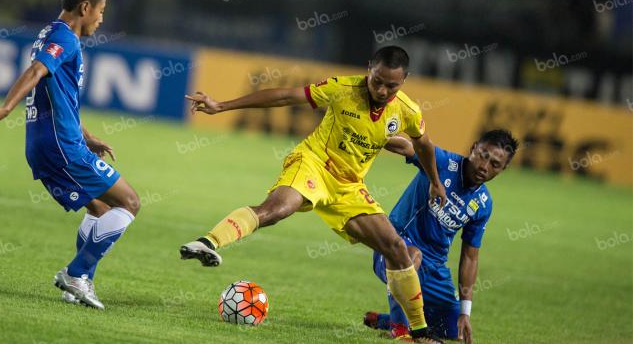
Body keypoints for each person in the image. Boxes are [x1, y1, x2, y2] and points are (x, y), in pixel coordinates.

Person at [182, 46, 447, 343]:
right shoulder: (341, 88)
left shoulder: (408, 111)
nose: (383, 90)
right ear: (369, 68)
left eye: (392, 85)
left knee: (396, 249)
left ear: (404, 81)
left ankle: (417, 334)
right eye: (377, 81)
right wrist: (222, 106)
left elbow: (424, 144)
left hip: (349, 186)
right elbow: (285, 96)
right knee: (278, 209)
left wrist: (435, 181)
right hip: (314, 164)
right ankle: (208, 242)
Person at [0, 0, 140, 310]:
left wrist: (87, 136)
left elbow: (60, 96)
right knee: (130, 202)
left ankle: (80, 282)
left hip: (47, 144)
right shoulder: (65, 38)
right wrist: (5, 108)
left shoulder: (51, 33)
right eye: (101, 11)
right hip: (61, 146)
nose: (102, 18)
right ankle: (76, 274)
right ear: (85, 6)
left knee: (100, 207)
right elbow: (35, 72)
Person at [364, 130, 518, 343]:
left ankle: (386, 320)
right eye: (483, 155)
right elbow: (407, 147)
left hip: (434, 266)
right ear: (473, 148)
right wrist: (368, 132)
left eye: (495, 164)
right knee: (412, 257)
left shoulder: (483, 203)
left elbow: (470, 257)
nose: (484, 167)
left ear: (503, 169)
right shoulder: (443, 163)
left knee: (454, 330)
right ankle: (403, 332)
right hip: (395, 247)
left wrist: (465, 311)